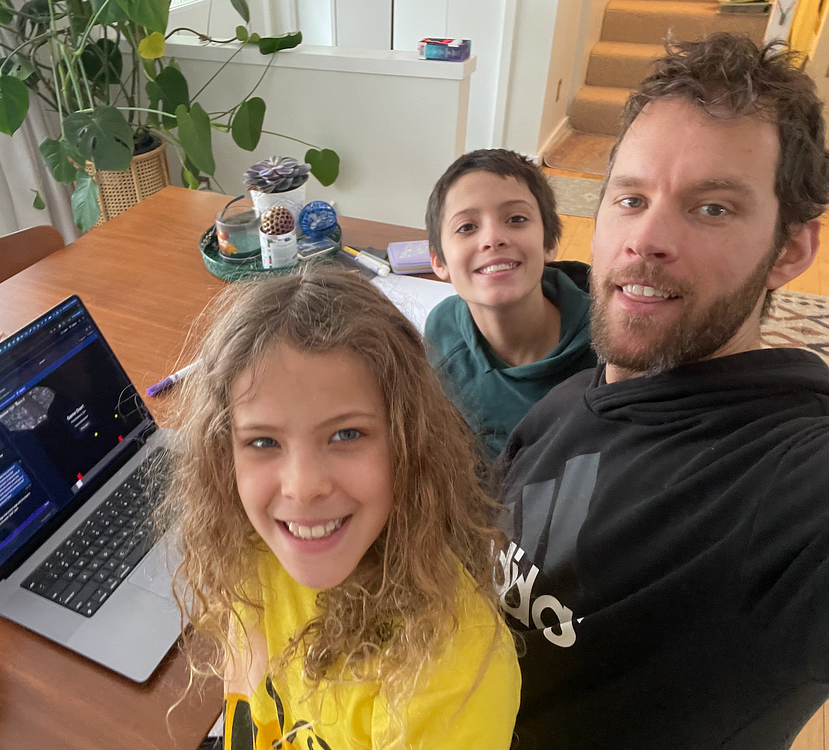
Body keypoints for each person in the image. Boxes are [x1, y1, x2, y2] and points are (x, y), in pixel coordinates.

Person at [500, 33, 829, 750]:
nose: (645, 238)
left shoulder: (786, 483)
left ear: (792, 249)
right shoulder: (568, 403)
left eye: (712, 208)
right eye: (631, 197)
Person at [162, 267, 520, 749]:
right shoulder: (253, 552)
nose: (304, 487)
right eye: (263, 441)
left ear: (409, 445)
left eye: (346, 434)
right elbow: (248, 707)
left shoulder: (455, 673)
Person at [424, 149, 597, 459]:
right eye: (466, 227)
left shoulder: (608, 351)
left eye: (516, 219)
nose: (492, 238)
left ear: (549, 243)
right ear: (439, 261)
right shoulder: (443, 333)